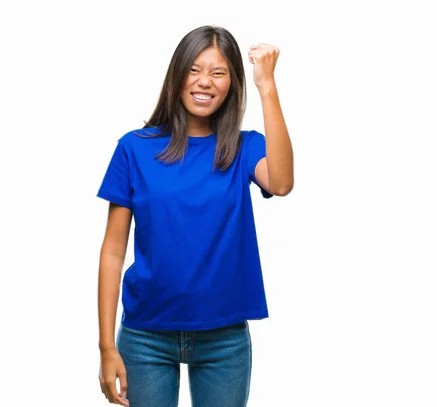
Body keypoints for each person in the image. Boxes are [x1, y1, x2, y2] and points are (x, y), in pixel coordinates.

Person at [96, 25, 293, 407]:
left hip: (225, 339)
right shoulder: (134, 149)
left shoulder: (243, 147)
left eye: (218, 73)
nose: (205, 82)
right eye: (195, 70)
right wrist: (106, 347)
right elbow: (112, 251)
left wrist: (267, 85)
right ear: (178, 75)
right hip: (145, 336)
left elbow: (282, 182)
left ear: (233, 83)